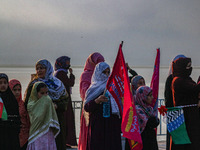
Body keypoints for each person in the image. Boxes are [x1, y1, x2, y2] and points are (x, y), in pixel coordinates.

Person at [24, 59, 69, 150]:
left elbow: (65, 100)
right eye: (37, 68)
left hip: (56, 118)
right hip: (39, 120)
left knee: (57, 143)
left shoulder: (57, 84)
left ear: (48, 69)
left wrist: (57, 106)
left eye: (42, 68)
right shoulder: (34, 84)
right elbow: (28, 102)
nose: (39, 71)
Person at [84, 62, 122, 150]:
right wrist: (97, 101)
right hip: (99, 125)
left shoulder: (113, 87)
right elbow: (87, 107)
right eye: (104, 72)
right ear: (98, 73)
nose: (106, 75)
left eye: (108, 72)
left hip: (112, 124)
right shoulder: (93, 89)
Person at [171, 57, 200, 150]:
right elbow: (195, 89)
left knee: (193, 141)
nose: (190, 69)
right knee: (183, 143)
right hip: (184, 117)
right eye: (188, 66)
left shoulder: (187, 79)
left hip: (190, 115)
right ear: (181, 67)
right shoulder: (178, 81)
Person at [78, 52, 104, 150]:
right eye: (98, 63)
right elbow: (85, 92)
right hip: (90, 107)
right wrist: (96, 94)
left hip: (100, 110)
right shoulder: (86, 75)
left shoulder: (102, 75)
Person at [27, 81, 60, 150]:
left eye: (46, 93)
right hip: (36, 134)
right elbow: (38, 117)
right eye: (42, 93)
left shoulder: (48, 102)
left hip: (47, 132)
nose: (45, 96)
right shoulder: (31, 105)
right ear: (35, 93)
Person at [54, 56, 77, 148]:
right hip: (64, 100)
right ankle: (66, 141)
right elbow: (70, 83)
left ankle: (66, 141)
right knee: (66, 120)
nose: (68, 64)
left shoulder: (60, 73)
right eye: (67, 63)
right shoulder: (61, 74)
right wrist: (72, 75)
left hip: (64, 99)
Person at [164, 54, 186, 150]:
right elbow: (168, 98)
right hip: (175, 115)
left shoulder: (185, 78)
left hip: (184, 114)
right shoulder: (171, 79)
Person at [134, 86, 159, 150]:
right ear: (143, 96)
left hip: (151, 139)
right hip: (143, 139)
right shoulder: (137, 109)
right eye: (150, 96)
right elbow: (149, 123)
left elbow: (155, 121)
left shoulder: (149, 108)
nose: (152, 98)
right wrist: (154, 120)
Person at [0, 73, 21, 150]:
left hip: (11, 135)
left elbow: (17, 118)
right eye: (0, 83)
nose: (3, 85)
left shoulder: (12, 100)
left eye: (5, 83)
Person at [125, 75, 145, 150]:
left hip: (145, 137)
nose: (143, 85)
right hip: (133, 136)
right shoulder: (129, 100)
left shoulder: (146, 98)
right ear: (133, 86)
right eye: (140, 83)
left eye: (144, 83)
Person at [9, 79, 30, 150]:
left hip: (25, 138)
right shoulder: (6, 105)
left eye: (19, 90)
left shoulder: (24, 105)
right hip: (10, 137)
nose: (17, 92)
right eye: (14, 90)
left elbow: (28, 122)